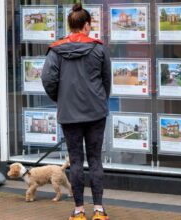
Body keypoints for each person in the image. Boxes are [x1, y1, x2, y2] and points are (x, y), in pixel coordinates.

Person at [41, 3, 111, 220]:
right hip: (95, 113)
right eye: (90, 25)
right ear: (86, 25)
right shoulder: (99, 48)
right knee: (95, 159)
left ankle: (79, 211)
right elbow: (106, 80)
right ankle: (99, 210)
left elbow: (47, 79)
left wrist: (60, 99)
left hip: (69, 114)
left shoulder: (56, 50)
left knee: (76, 160)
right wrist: (100, 100)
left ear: (70, 24)